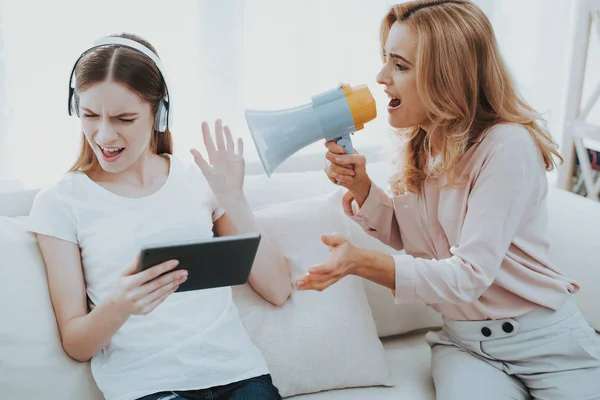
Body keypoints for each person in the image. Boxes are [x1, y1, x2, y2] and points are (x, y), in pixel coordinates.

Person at [295, 1, 600, 399]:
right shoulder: (422, 144)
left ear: (447, 77)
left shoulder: (506, 146)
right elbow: (412, 237)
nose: (381, 77)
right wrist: (362, 188)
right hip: (465, 345)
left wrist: (363, 262)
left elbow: (469, 276)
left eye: (400, 65)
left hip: (546, 343)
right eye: (387, 60)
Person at [27, 32, 291, 400]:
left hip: (239, 377)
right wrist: (121, 303)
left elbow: (278, 288)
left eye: (124, 118)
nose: (103, 134)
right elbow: (76, 342)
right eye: (89, 115)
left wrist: (233, 199)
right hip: (148, 389)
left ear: (159, 114)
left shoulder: (197, 180)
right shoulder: (61, 201)